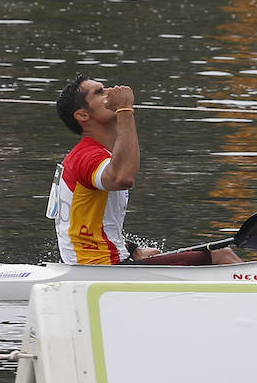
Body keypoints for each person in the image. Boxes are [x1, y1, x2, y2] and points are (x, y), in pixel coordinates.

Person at [52, 75, 242, 265]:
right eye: (100, 92)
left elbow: (86, 226)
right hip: (101, 269)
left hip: (102, 264)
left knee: (221, 254)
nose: (111, 91)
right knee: (221, 255)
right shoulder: (87, 157)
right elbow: (123, 178)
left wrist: (133, 249)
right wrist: (124, 109)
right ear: (83, 115)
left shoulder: (93, 154)